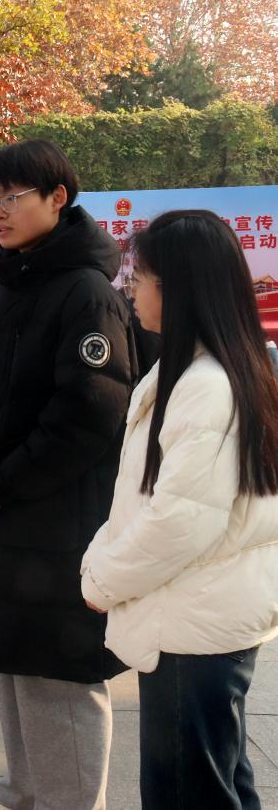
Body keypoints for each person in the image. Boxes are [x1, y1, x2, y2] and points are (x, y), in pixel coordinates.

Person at [0, 140, 136, 810]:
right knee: (16, 666)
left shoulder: (87, 294)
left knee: (60, 679)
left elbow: (88, 416)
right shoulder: (14, 289)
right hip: (9, 519)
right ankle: (20, 797)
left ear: (58, 198)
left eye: (11, 198)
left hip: (60, 525)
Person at [80, 211, 278, 810]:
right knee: (217, 781)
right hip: (198, 613)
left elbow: (179, 522)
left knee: (189, 791)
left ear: (181, 288)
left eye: (140, 278)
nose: (131, 290)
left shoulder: (206, 386)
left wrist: (101, 579)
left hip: (192, 622)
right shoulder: (205, 369)